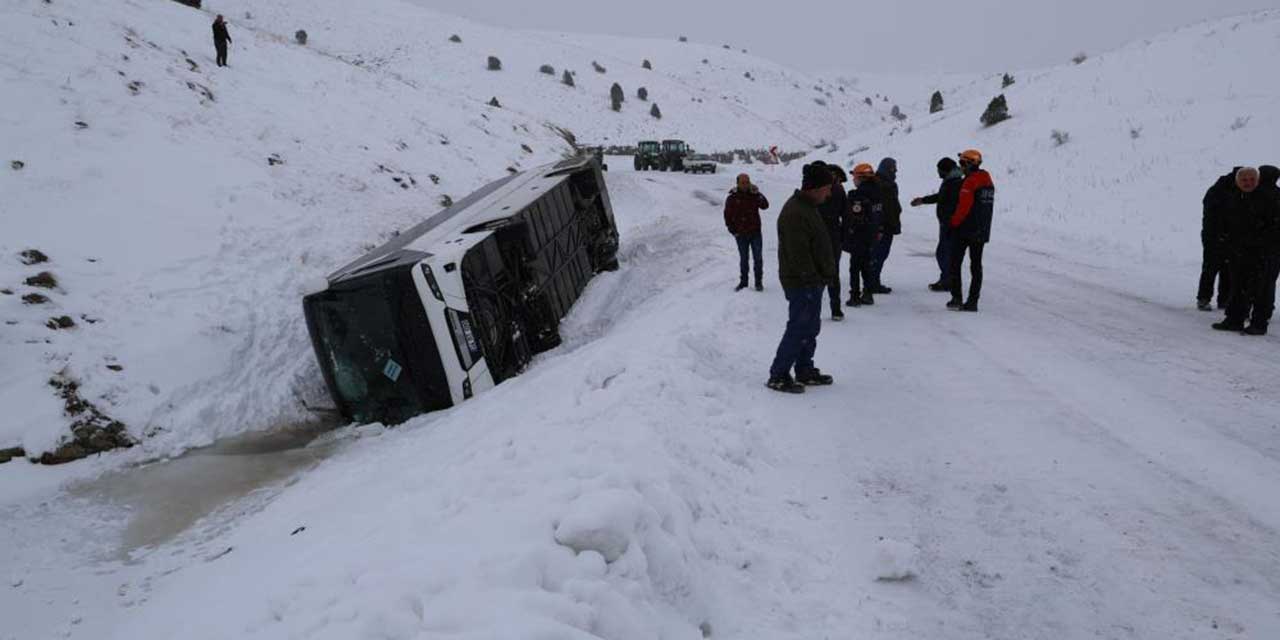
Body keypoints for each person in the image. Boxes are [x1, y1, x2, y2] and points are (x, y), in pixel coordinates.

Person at [767, 163, 838, 393]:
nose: (829, 193)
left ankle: (805, 369)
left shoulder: (807, 206)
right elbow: (798, 253)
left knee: (810, 327)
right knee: (799, 327)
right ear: (815, 188)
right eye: (827, 188)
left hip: (811, 281)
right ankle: (778, 375)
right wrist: (812, 278)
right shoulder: (796, 212)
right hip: (802, 282)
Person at [1214, 167, 1280, 335]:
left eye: (1252, 179)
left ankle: (1258, 323)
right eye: (1244, 180)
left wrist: (1261, 243)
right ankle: (1234, 319)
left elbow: (1273, 227)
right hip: (1240, 251)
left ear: (1257, 180)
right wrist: (1226, 241)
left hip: (1264, 252)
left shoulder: (1267, 199)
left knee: (1261, 289)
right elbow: (1227, 224)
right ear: (1237, 182)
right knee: (1239, 286)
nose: (1248, 183)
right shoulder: (1235, 197)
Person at [947, 149, 995, 312]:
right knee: (976, 266)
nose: (961, 167)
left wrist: (953, 223)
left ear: (969, 164)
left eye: (962, 163)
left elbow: (963, 207)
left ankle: (956, 298)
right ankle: (973, 301)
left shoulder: (970, 182)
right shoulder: (987, 179)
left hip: (965, 229)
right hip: (982, 229)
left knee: (955, 263)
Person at [911, 158, 965, 291]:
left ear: (945, 170)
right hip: (947, 223)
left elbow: (952, 203)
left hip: (951, 224)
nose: (938, 173)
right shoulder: (951, 181)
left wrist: (951, 221)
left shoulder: (954, 184)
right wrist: (923, 200)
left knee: (944, 253)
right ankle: (947, 279)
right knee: (946, 252)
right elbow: (940, 197)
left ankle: (948, 281)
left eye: (939, 170)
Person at [1198, 168, 1239, 310]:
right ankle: (1205, 298)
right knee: (1212, 268)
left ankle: (1221, 299)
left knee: (1225, 269)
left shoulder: (1221, 189)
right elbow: (1214, 216)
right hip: (1214, 236)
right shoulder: (1220, 192)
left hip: (1223, 236)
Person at [843, 163, 882, 307]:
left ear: (860, 178)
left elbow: (854, 217)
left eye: (854, 177)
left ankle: (854, 295)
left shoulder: (858, 195)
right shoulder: (878, 192)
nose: (853, 179)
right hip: (872, 234)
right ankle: (868, 293)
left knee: (855, 266)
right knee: (867, 264)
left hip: (859, 234)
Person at [724, 173, 770, 291]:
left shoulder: (754, 195)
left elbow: (765, 206)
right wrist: (733, 230)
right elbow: (727, 216)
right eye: (743, 182)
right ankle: (743, 283)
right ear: (738, 183)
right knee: (744, 259)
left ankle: (758, 283)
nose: (745, 185)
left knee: (758, 258)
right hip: (740, 234)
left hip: (755, 232)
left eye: (747, 182)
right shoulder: (732, 197)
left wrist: (758, 194)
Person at [818, 165, 848, 320]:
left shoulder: (816, 190)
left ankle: (813, 308)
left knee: (816, 273)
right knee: (833, 273)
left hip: (818, 235)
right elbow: (846, 215)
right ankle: (836, 309)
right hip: (833, 235)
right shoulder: (839, 190)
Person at [869, 157, 902, 294]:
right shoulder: (883, 185)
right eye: (893, 168)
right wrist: (881, 226)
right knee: (878, 254)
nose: (895, 171)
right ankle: (872, 282)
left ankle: (872, 281)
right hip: (883, 226)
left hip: (885, 225)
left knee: (879, 254)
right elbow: (883, 207)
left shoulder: (884, 183)